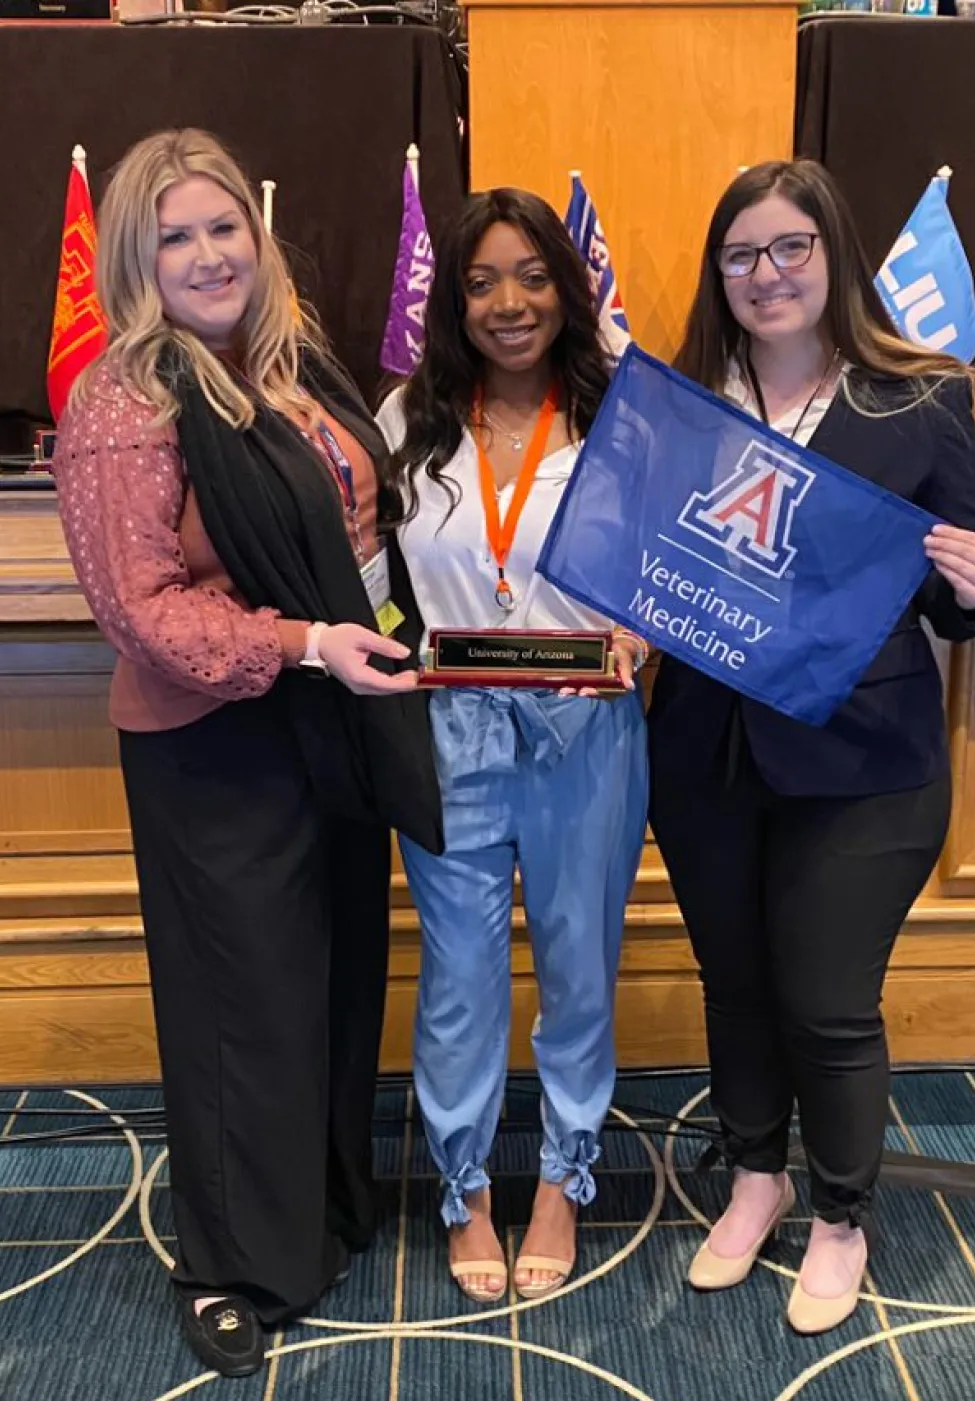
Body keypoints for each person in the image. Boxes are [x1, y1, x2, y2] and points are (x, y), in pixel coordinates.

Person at [53, 128, 442, 1377]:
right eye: (176, 235)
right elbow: (142, 609)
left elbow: (359, 531)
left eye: (226, 227)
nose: (210, 254)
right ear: (135, 259)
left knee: (328, 984)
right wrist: (306, 639)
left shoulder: (290, 366)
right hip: (215, 738)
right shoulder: (128, 398)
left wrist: (375, 635)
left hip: (328, 710)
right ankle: (228, 1261)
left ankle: (320, 1209)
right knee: (241, 1009)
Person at [648, 160, 975, 1335]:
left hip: (865, 762)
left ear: (834, 255)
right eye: (742, 254)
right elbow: (655, 571)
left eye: (790, 246)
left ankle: (842, 1216)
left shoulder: (921, 398)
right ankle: (758, 1178)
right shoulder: (680, 402)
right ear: (720, 274)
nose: (767, 274)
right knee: (736, 981)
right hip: (707, 750)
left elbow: (959, 603)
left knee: (826, 996)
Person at [376, 188, 649, 1303]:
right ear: (454, 298)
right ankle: (467, 1189)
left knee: (579, 962)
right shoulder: (404, 418)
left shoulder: (622, 417)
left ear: (566, 288)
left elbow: (668, 575)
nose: (509, 301)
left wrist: (647, 636)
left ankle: (562, 1178)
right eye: (484, 279)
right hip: (452, 730)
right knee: (459, 979)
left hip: (588, 727)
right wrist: (394, 652)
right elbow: (373, 582)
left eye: (532, 275)